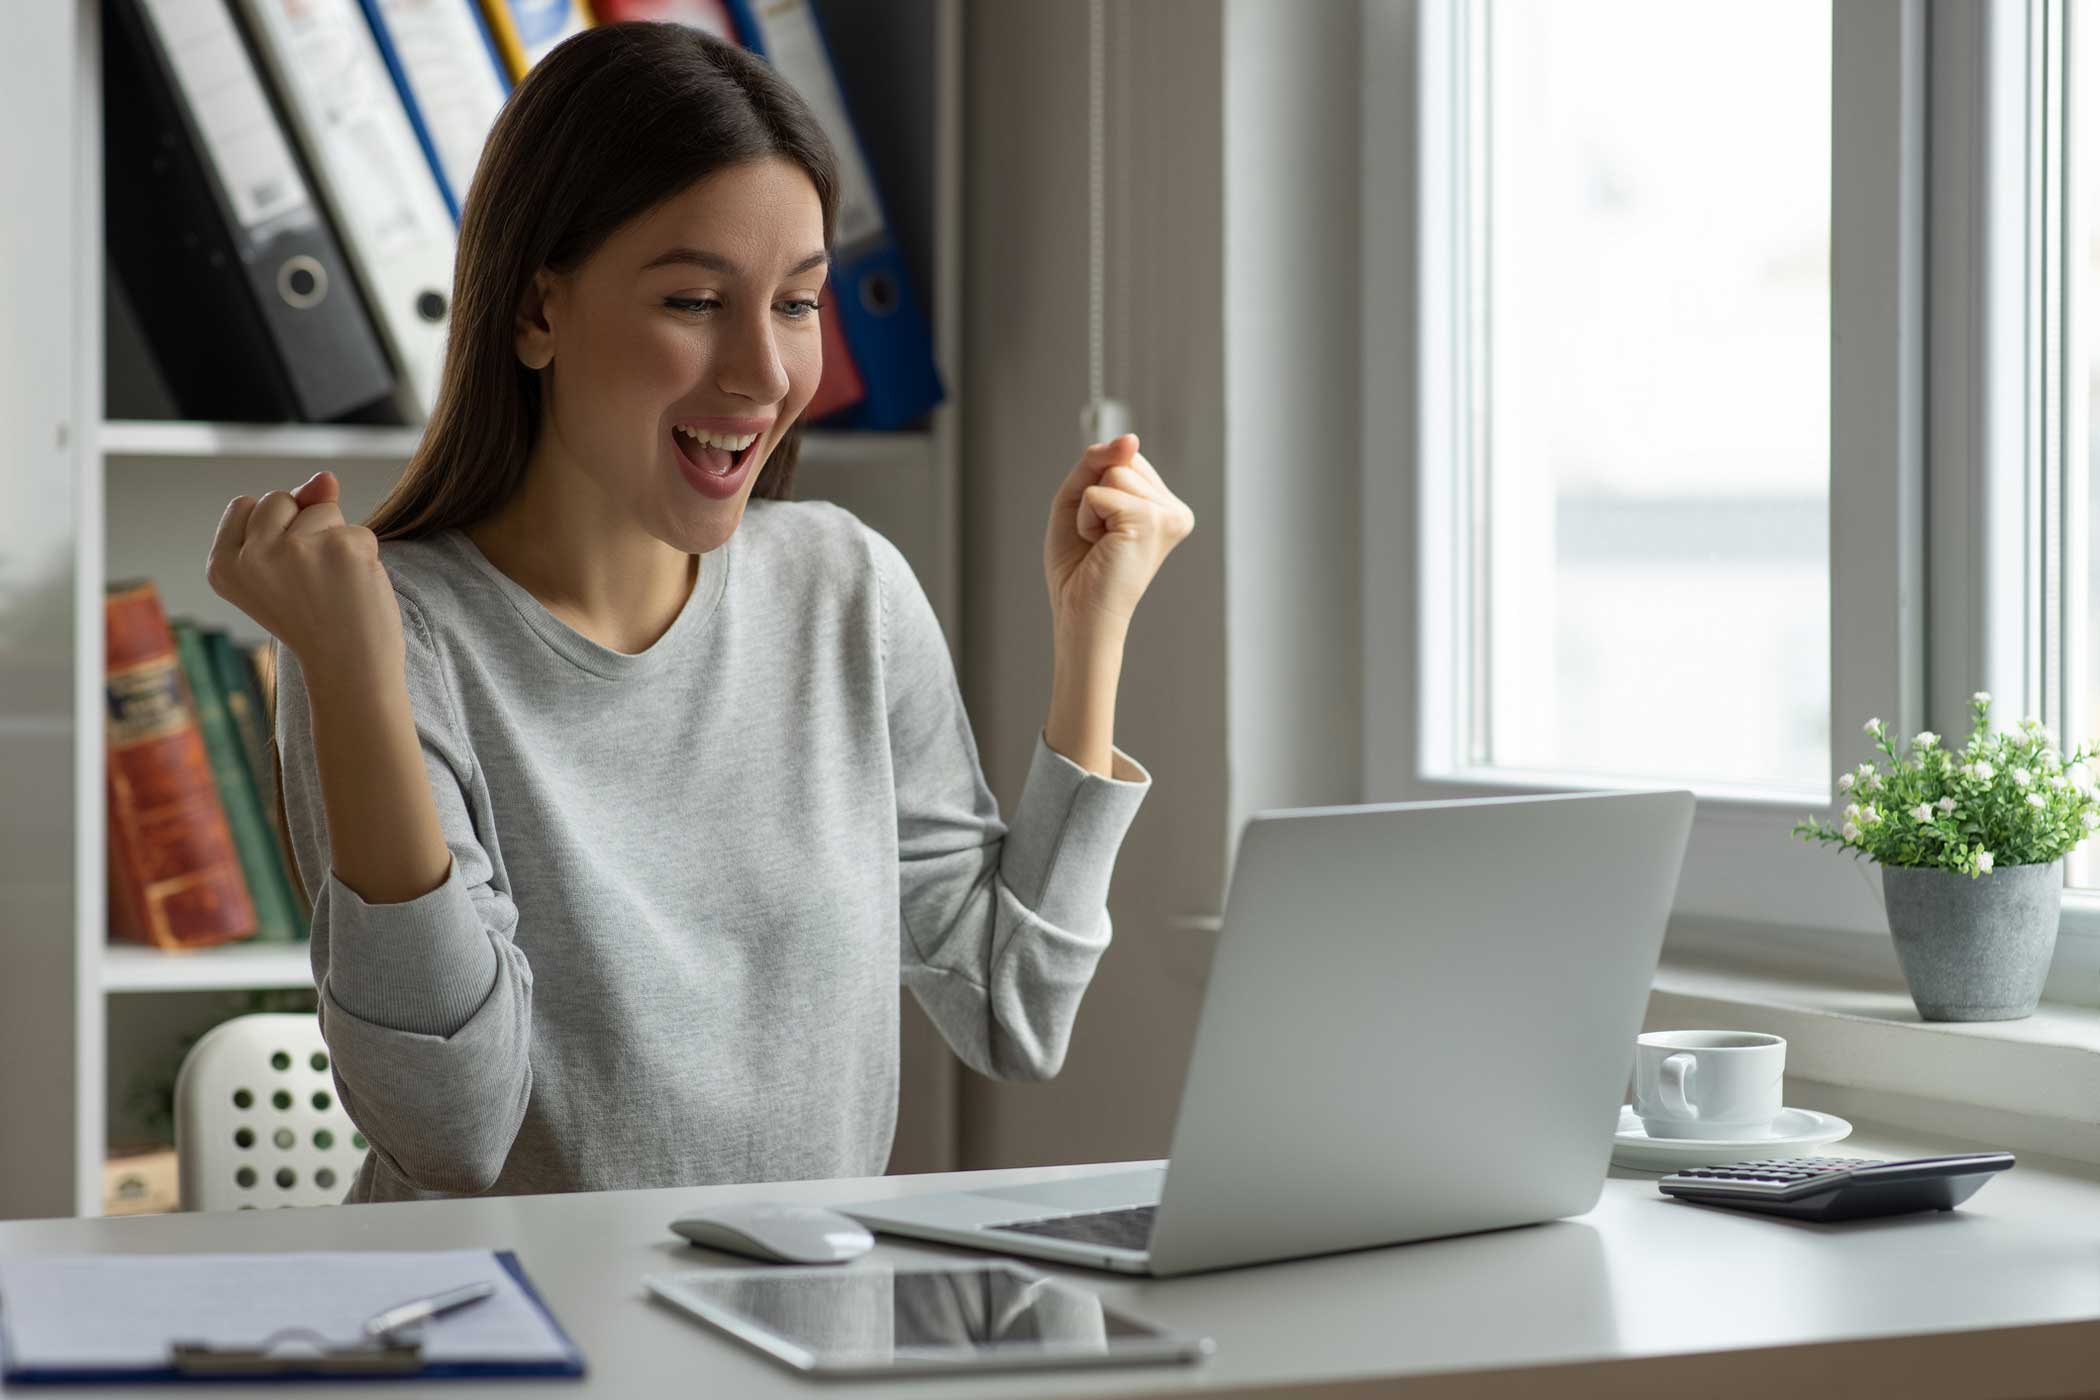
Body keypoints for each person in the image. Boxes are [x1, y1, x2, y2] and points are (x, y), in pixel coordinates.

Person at [204, 22, 1192, 1205]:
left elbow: (1011, 1005)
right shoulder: (381, 631)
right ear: (535, 311)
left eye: (796, 303)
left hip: (810, 1353)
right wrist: (353, 675)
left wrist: (1093, 635)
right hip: (532, 1353)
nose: (766, 375)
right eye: (694, 299)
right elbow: (453, 1131)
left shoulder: (847, 587)